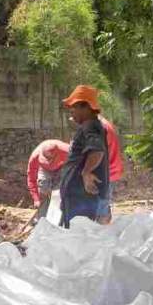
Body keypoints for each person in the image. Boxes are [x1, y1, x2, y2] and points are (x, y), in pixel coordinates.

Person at [59, 85, 109, 227]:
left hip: (80, 196)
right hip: (77, 196)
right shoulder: (92, 125)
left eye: (74, 107)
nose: (71, 112)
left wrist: (86, 173)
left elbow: (97, 149)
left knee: (77, 238)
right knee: (76, 237)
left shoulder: (90, 126)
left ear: (86, 107)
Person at [26, 139, 70, 218]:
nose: (48, 161)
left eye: (50, 159)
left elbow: (80, 161)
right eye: (46, 159)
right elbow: (31, 178)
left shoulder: (66, 150)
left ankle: (62, 216)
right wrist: (36, 199)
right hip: (44, 169)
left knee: (61, 190)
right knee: (42, 189)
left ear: (57, 153)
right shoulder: (35, 157)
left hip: (61, 167)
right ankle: (41, 218)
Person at [97, 115, 124, 224]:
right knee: (102, 203)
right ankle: (103, 224)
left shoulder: (99, 127)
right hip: (109, 170)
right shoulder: (102, 124)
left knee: (101, 204)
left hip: (106, 171)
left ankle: (102, 229)